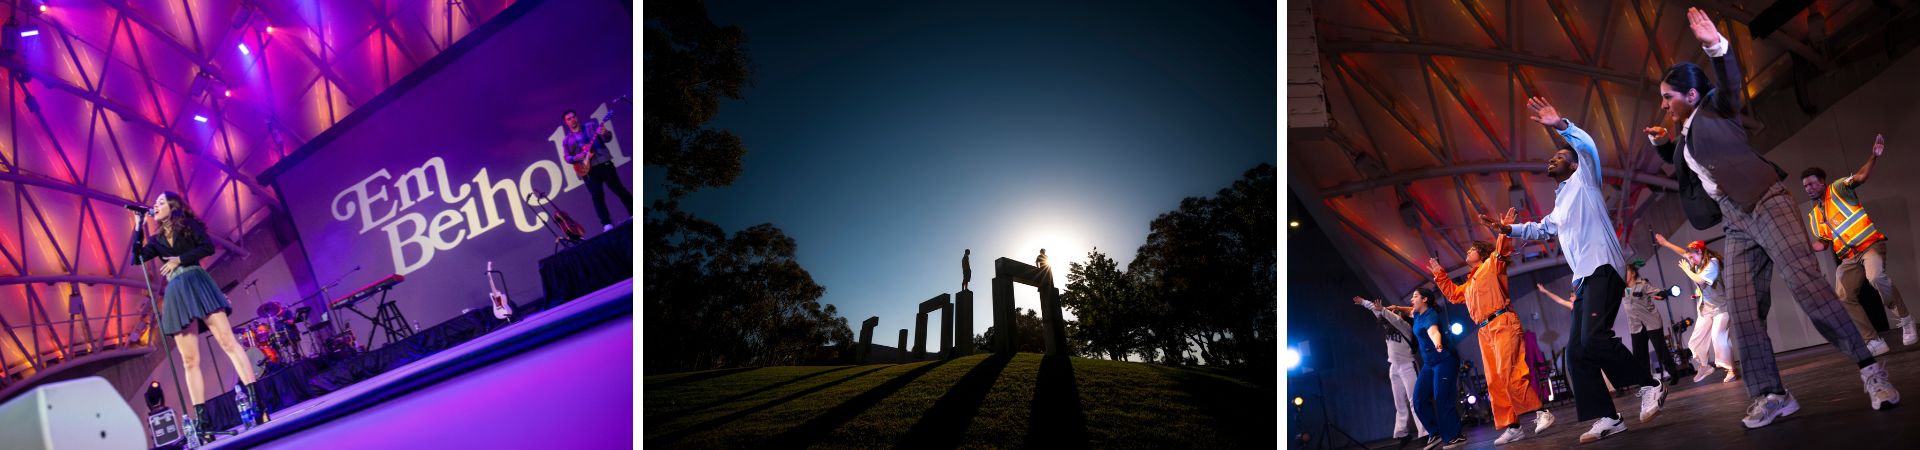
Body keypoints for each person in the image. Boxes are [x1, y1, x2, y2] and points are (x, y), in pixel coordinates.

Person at [1647, 7, 1897, 428]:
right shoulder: (1687, 135)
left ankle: (1872, 371)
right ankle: (1772, 395)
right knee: (1743, 312)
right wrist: (1662, 148)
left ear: (1691, 95)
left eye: (1668, 96)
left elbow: (1729, 85)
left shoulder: (1714, 108)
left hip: (1766, 201)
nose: (1663, 103)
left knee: (1809, 289)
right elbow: (1690, 166)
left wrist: (1716, 46)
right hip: (1734, 219)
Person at [1492, 96, 1663, 444]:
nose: (1552, 159)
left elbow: (1587, 147)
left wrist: (1560, 125)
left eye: (1559, 156)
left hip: (1602, 265)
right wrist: (1511, 231)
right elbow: (1542, 228)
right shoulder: (1561, 200)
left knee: (1594, 338)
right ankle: (1608, 417)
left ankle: (1650, 384)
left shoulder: (1585, 178)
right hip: (1583, 277)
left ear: (1573, 164)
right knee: (1576, 351)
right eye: (1552, 156)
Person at [132, 192, 264, 435]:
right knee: (189, 360)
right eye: (155, 204)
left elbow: (207, 247)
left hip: (196, 280)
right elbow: (136, 258)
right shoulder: (155, 238)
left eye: (161, 202)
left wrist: (179, 259)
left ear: (173, 206)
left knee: (228, 343)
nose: (156, 206)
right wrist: (138, 225)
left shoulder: (189, 225)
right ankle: (203, 422)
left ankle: (257, 401)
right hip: (177, 291)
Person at [1425, 208, 1553, 444]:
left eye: (1472, 249)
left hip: (1502, 322)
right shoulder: (1471, 281)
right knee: (1495, 379)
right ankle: (1513, 426)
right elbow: (1454, 296)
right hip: (1485, 330)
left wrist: (1504, 229)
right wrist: (1440, 275)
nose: (1468, 250)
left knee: (1509, 370)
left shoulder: (1491, 264)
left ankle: (1541, 412)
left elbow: (1502, 250)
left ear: (1482, 253)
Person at [1802, 134, 1916, 352]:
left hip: (1870, 245)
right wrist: (1802, 247)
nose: (1807, 188)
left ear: (1822, 182)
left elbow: (1861, 176)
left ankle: (1905, 319)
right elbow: (1822, 244)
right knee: (1844, 297)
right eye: (1805, 186)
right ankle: (1873, 341)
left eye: (1811, 184)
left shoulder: (1838, 189)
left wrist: (1874, 156)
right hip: (1849, 258)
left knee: (1876, 278)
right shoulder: (1815, 214)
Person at [1655, 234, 1738, 383]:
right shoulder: (1696, 262)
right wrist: (1666, 243)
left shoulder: (1712, 263)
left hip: (1721, 308)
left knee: (1718, 337)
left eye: (1692, 257)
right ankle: (1704, 366)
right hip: (1706, 308)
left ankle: (1731, 369)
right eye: (1690, 258)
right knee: (1695, 340)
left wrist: (1687, 270)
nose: (1690, 260)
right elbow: (1683, 252)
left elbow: (1700, 280)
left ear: (1700, 252)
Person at [1354, 296, 1426, 446]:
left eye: (1395, 312)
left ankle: (1424, 433)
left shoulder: (1405, 326)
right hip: (1394, 367)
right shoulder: (1388, 326)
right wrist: (1364, 303)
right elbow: (1379, 313)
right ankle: (1402, 433)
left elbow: (1393, 318)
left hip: (1408, 365)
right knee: (1399, 402)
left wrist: (1386, 310)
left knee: (1414, 400)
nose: (1391, 314)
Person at [1407, 288, 1467, 450]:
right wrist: (1396, 308)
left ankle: (1456, 436)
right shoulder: (1417, 313)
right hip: (1430, 364)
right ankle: (1436, 433)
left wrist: (1437, 342)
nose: (1412, 299)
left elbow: (1433, 331)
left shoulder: (1430, 315)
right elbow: (1409, 311)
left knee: (1442, 398)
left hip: (1444, 360)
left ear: (1425, 299)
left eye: (1415, 296)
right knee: (1418, 399)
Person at [562, 109, 633, 232]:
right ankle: (606, 224)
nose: (572, 119)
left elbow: (607, 138)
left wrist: (605, 133)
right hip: (587, 170)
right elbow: (567, 157)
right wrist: (575, 157)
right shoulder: (566, 140)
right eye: (569, 119)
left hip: (603, 163)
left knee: (619, 189)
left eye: (573, 117)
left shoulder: (591, 126)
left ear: (577, 117)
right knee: (597, 197)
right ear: (566, 122)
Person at [1622, 261, 1683, 384]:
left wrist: (1665, 293)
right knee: (1639, 354)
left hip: (1651, 321)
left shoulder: (1643, 284)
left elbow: (1658, 293)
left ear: (1633, 273)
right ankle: (1646, 381)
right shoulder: (1620, 288)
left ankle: (1673, 374)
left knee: (1661, 350)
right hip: (1635, 325)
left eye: (1626, 271)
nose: (1623, 274)